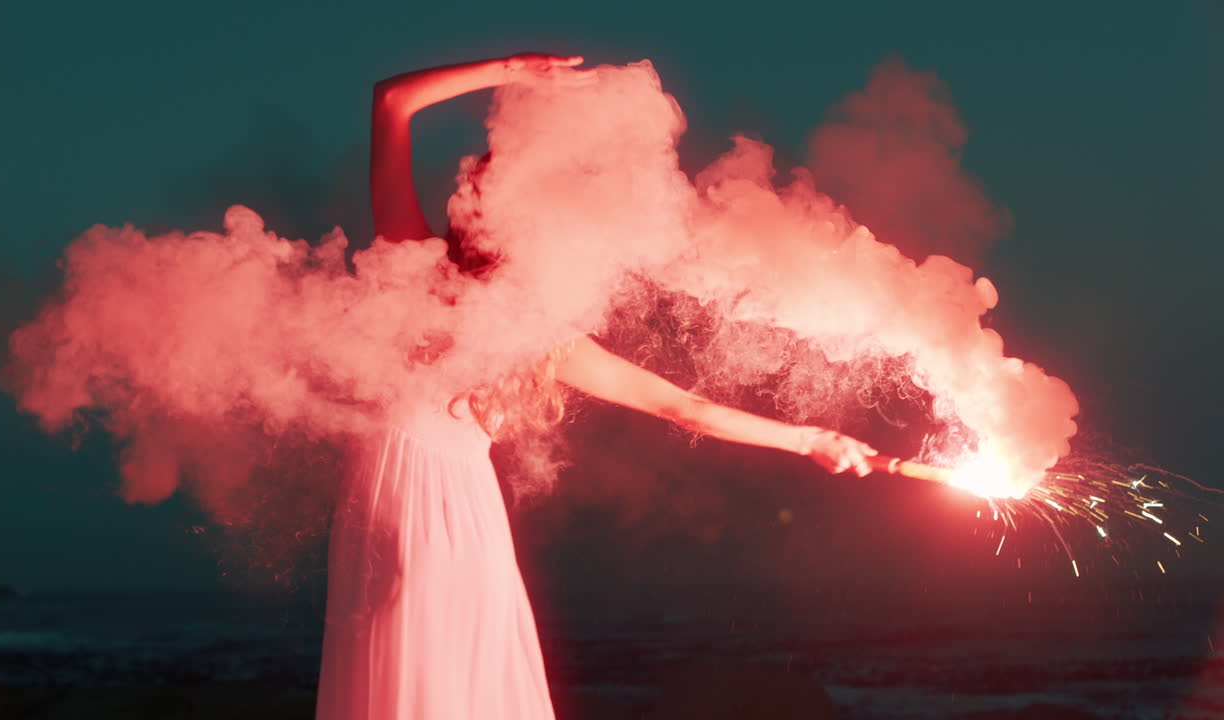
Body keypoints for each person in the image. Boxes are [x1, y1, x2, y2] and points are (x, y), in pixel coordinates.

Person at [313, 52, 878, 720]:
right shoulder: (416, 265)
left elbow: (681, 406)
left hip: (460, 520)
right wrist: (514, 70)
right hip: (417, 512)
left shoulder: (543, 339)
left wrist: (808, 437)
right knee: (425, 662)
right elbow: (391, 102)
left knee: (443, 668)